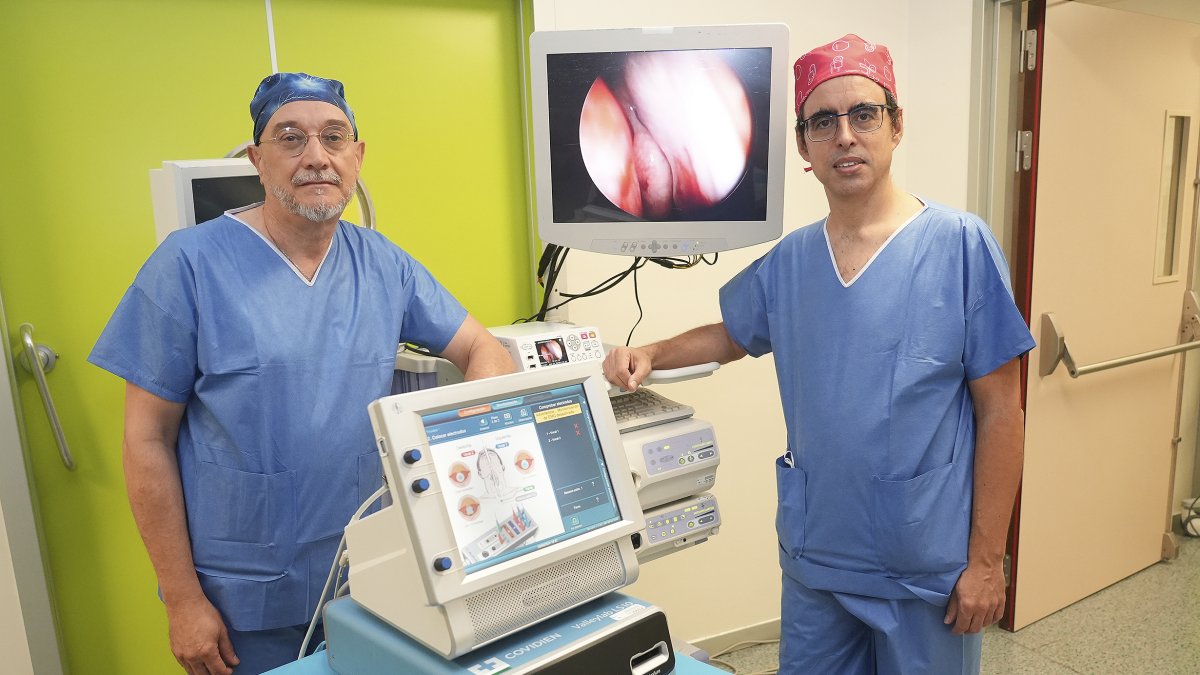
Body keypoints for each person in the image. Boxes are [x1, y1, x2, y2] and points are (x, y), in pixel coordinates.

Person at [604, 35, 1035, 674]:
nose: (846, 136)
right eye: (823, 122)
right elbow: (733, 332)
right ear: (805, 147)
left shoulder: (959, 246)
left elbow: (1002, 410)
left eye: (864, 114)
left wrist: (986, 563)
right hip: (819, 556)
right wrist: (651, 352)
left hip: (926, 562)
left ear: (896, 126)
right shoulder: (794, 260)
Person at [88, 72, 516, 675]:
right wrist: (183, 600)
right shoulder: (187, 265)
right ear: (258, 160)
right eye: (291, 139)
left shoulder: (383, 263)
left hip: (370, 575)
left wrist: (457, 460)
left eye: (334, 137)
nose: (316, 157)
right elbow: (145, 440)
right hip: (242, 600)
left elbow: (484, 349)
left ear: (357, 157)